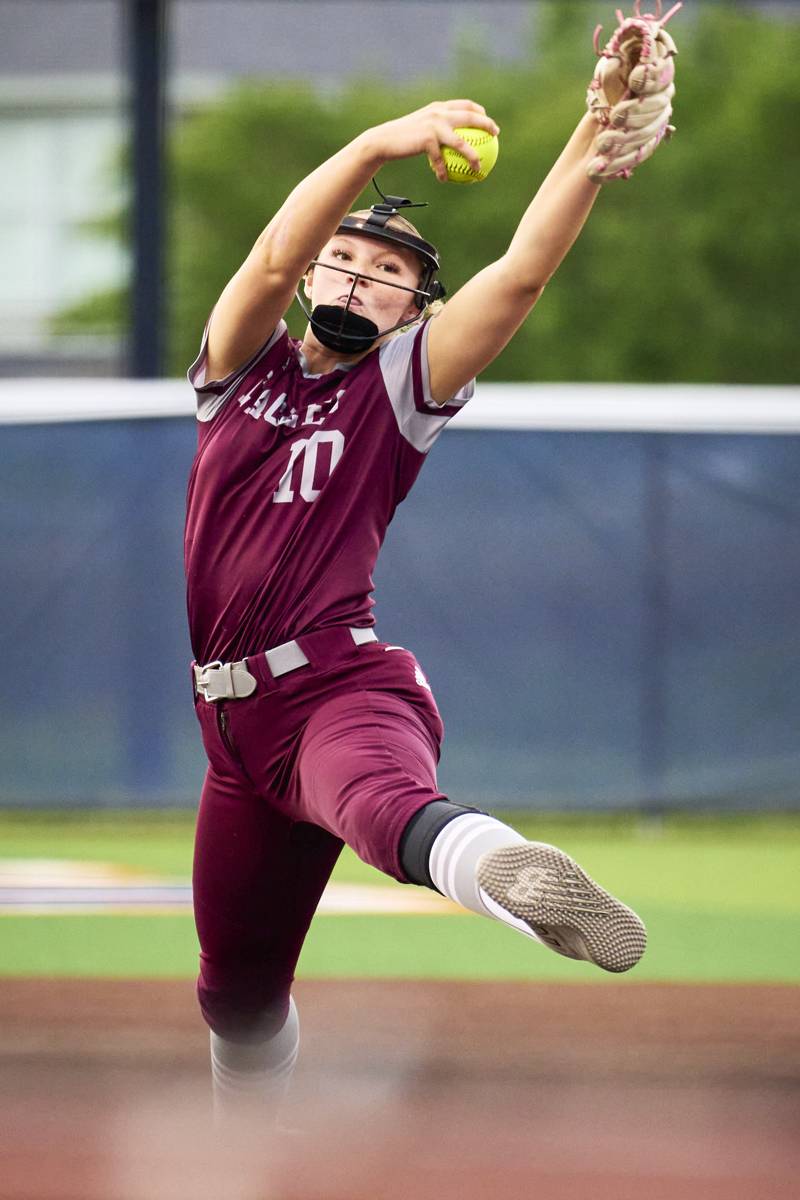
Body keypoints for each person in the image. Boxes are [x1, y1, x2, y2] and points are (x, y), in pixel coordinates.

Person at [185, 99, 647, 1123]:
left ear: (411, 309)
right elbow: (265, 263)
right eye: (343, 255)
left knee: (384, 812)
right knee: (235, 997)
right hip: (231, 736)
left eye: (388, 272)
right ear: (312, 276)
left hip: (336, 692)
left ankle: (507, 876)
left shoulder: (398, 384)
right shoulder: (236, 373)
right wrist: (372, 145)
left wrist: (588, 134)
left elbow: (519, 273)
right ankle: (241, 1149)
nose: (359, 273)